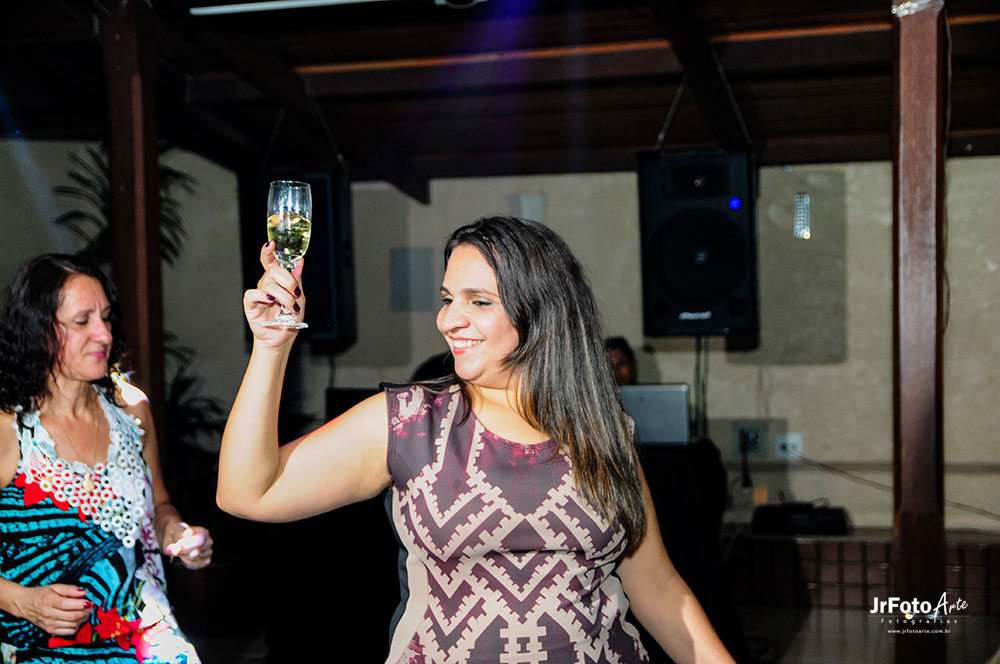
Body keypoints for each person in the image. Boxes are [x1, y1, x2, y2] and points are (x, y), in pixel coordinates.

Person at [219, 216, 735, 663]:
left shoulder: (601, 428)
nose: (448, 320)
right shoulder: (409, 422)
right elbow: (247, 493)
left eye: (479, 301)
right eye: (448, 299)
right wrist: (271, 347)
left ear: (541, 311)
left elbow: (656, 587)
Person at [0, 254, 211, 664]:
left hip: (146, 637)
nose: (104, 334)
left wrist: (176, 533)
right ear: (38, 331)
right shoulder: (11, 429)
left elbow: (160, 504)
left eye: (107, 317)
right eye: (82, 321)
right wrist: (23, 601)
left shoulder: (132, 410)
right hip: (44, 650)